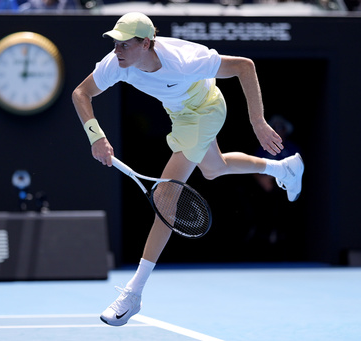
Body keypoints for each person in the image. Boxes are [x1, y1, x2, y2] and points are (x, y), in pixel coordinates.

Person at [71, 12, 304, 327]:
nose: (118, 50)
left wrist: (258, 123)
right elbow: (81, 93)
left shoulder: (183, 60)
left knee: (165, 200)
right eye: (116, 43)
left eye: (126, 44)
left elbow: (243, 66)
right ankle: (284, 169)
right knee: (215, 168)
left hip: (206, 109)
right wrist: (95, 136)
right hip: (180, 114)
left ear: (147, 43)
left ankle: (132, 294)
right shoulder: (117, 64)